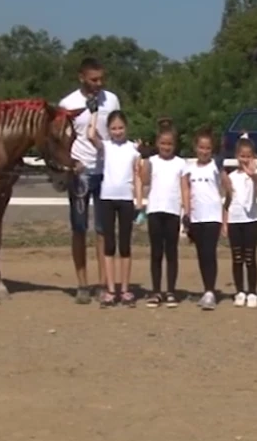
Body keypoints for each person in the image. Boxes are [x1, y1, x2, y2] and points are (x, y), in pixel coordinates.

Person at [59, 57, 121, 303]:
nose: (99, 84)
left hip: (106, 172)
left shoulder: (112, 100)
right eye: (94, 79)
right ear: (81, 77)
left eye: (101, 79)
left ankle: (104, 282)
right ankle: (82, 283)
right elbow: (61, 140)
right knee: (79, 228)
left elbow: (116, 131)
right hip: (80, 172)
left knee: (104, 229)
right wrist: (70, 164)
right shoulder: (68, 104)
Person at [88, 111, 141, 308]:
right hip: (107, 198)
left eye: (120, 128)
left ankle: (125, 289)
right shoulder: (106, 147)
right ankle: (111, 289)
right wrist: (94, 113)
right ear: (108, 130)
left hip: (126, 199)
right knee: (109, 244)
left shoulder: (133, 150)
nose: (117, 132)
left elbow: (137, 176)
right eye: (113, 128)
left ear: (126, 128)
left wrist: (139, 200)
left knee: (125, 245)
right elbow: (91, 135)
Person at [181, 127, 226, 311]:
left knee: (209, 253)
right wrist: (187, 213)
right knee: (201, 254)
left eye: (208, 148)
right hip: (197, 217)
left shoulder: (215, 166)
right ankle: (206, 288)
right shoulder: (188, 169)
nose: (204, 151)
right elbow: (186, 190)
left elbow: (224, 162)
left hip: (212, 216)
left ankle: (210, 291)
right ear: (195, 148)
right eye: (201, 147)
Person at [142, 123, 185, 309]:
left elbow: (184, 188)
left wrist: (186, 211)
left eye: (170, 144)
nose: (166, 147)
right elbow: (144, 181)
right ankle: (156, 291)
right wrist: (143, 159)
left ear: (174, 145)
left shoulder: (180, 163)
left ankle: (171, 291)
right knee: (156, 253)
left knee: (172, 252)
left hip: (173, 211)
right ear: (157, 143)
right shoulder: (152, 161)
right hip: (155, 210)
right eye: (163, 143)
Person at [225, 136, 257, 308]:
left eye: (248, 156)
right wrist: (225, 221)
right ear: (237, 156)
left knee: (250, 257)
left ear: (253, 156)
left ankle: (252, 292)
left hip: (250, 220)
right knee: (237, 257)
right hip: (235, 220)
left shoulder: (256, 175)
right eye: (242, 156)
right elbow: (227, 200)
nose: (245, 159)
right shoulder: (232, 176)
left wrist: (253, 175)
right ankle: (240, 291)